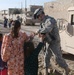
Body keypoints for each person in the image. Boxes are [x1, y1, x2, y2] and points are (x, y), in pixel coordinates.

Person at [33, 8, 70, 75]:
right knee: (46, 57)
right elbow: (43, 30)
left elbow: (48, 29)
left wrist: (38, 31)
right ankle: (46, 71)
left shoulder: (50, 20)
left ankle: (66, 69)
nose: (38, 19)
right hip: (48, 42)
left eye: (38, 17)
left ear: (41, 14)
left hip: (55, 42)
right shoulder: (43, 22)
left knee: (58, 58)